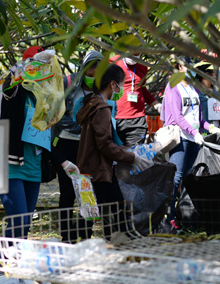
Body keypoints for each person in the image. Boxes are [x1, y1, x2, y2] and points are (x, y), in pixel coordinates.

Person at [0, 46, 79, 239]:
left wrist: (64, 162)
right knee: (18, 220)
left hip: (33, 168)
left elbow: (42, 138)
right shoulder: (16, 92)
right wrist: (29, 65)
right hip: (11, 166)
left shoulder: (42, 101)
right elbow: (9, 84)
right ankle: (3, 265)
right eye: (38, 66)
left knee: (26, 223)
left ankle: (17, 263)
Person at [76, 63, 153, 237]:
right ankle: (116, 242)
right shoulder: (102, 109)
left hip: (90, 168)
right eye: (121, 84)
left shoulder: (91, 103)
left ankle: (108, 242)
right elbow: (105, 145)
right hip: (98, 171)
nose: (121, 89)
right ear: (112, 84)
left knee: (93, 211)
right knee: (109, 211)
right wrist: (132, 157)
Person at [51, 50, 103, 241]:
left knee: (88, 191)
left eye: (97, 72)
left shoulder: (101, 88)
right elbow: (58, 115)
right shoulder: (70, 83)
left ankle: (85, 233)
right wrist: (79, 128)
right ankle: (66, 236)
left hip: (89, 147)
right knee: (67, 194)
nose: (92, 75)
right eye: (90, 71)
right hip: (66, 143)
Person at [160, 61, 217, 227]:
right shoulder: (173, 86)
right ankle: (168, 218)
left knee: (188, 178)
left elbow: (198, 118)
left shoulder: (193, 87)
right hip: (180, 137)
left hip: (194, 139)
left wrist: (210, 127)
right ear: (179, 67)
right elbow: (177, 117)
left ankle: (184, 216)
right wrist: (194, 132)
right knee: (175, 178)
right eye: (187, 66)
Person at [110, 54, 162, 146]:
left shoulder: (142, 66)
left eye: (137, 53)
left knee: (134, 155)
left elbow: (142, 89)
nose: (135, 55)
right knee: (116, 155)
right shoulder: (112, 63)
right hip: (116, 118)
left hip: (137, 120)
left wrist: (157, 105)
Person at [195, 63, 220, 135]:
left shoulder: (219, 91)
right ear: (207, 74)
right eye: (214, 73)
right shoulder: (196, 92)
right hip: (204, 132)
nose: (216, 76)